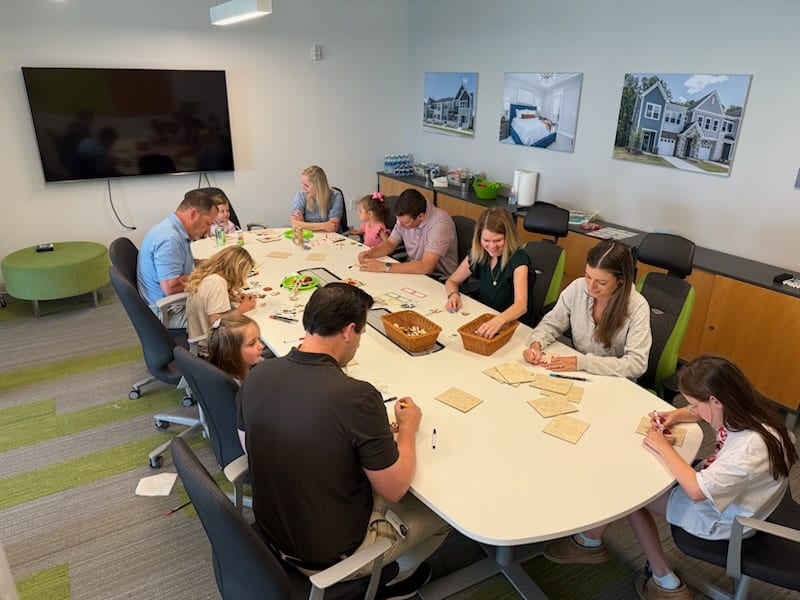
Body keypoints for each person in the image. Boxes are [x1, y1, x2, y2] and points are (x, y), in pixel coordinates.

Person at [237, 283, 448, 593]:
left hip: (269, 534)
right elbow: (394, 489)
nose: (359, 344)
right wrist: (407, 429)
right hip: (327, 556)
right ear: (349, 330)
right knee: (441, 515)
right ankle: (394, 580)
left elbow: (251, 449)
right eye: (361, 334)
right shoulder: (357, 397)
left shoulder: (256, 375)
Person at [543, 354, 798, 600]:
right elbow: (699, 413)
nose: (692, 409)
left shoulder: (748, 448)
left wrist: (663, 447)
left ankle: (664, 581)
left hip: (726, 521)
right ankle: (590, 539)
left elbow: (697, 491)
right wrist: (676, 415)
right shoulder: (748, 409)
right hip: (744, 496)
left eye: (695, 403)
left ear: (715, 400)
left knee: (632, 492)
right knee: (648, 472)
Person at [522, 239, 651, 379]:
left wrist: (584, 363)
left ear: (621, 281)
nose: (590, 287)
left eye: (601, 282)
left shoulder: (638, 307)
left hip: (614, 379)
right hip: (581, 372)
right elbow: (552, 322)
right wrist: (536, 343)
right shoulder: (578, 287)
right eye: (588, 276)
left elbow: (637, 364)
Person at [444, 207, 532, 338]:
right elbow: (452, 281)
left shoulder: (519, 259)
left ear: (508, 236)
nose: (491, 246)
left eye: (498, 240)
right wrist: (453, 295)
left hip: (512, 325)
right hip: (484, 318)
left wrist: (499, 320)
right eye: (486, 240)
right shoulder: (479, 253)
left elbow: (521, 305)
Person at [137, 189, 218, 328]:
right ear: (193, 214)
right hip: (169, 313)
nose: (209, 231)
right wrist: (207, 275)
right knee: (231, 314)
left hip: (169, 304)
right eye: (208, 223)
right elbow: (171, 287)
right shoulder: (170, 239)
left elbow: (178, 267)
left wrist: (201, 264)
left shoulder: (170, 229)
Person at [357, 188, 458, 280]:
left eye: (406, 223)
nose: (400, 225)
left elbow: (427, 266)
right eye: (398, 220)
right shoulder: (404, 218)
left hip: (439, 279)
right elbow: (390, 243)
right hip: (415, 271)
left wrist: (383, 266)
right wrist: (370, 253)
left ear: (421, 216)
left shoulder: (440, 224)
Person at [184, 245, 257, 349]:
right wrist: (242, 309)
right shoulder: (218, 283)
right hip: (211, 347)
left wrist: (231, 296)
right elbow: (216, 324)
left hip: (197, 336)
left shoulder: (209, 275)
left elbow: (210, 302)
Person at [207, 313, 264, 382]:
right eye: (252, 344)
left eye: (258, 339)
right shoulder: (239, 388)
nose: (261, 346)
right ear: (229, 354)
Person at [289, 165, 345, 233]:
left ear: (318, 186)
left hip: (331, 238)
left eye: (306, 186)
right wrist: (324, 226)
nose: (303, 189)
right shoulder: (301, 195)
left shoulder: (336, 196)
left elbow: (333, 227)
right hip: (309, 237)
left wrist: (303, 224)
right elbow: (294, 224)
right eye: (302, 184)